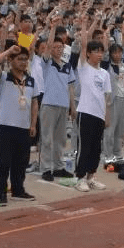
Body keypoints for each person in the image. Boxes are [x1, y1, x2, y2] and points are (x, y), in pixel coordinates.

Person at [0, 45, 38, 205]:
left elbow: (34, 103)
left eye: (25, 59)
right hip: (6, 127)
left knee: (21, 162)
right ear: (11, 61)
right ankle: (1, 193)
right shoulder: (3, 78)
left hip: (24, 128)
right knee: (4, 163)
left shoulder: (31, 81)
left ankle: (18, 190)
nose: (23, 62)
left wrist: (33, 124)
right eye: (19, 59)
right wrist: (9, 51)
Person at [73, 22, 112, 192]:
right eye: (95, 51)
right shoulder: (84, 67)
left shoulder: (104, 73)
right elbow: (83, 44)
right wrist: (85, 24)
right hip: (85, 112)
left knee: (96, 148)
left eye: (101, 51)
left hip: (99, 115)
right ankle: (79, 177)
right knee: (85, 146)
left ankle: (91, 177)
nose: (99, 54)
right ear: (88, 54)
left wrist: (106, 116)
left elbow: (106, 96)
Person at [39, 17, 76, 182]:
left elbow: (71, 88)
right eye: (55, 47)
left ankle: (58, 167)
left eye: (61, 47)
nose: (58, 49)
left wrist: (72, 107)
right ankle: (46, 169)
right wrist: (53, 27)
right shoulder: (46, 63)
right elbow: (46, 48)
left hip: (63, 106)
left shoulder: (67, 65)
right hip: (48, 105)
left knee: (60, 139)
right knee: (47, 138)